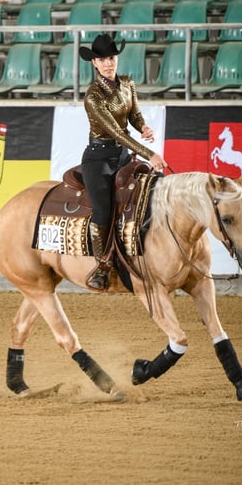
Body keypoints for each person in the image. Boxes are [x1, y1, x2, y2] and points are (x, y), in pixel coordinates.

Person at [78, 33, 168, 291]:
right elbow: (116, 133)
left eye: (112, 58)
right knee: (103, 209)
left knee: (150, 189)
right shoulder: (93, 96)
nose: (108, 63)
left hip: (122, 154)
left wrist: (144, 127)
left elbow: (134, 116)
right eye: (103, 59)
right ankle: (103, 265)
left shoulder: (128, 83)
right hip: (99, 159)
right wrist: (149, 153)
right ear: (94, 63)